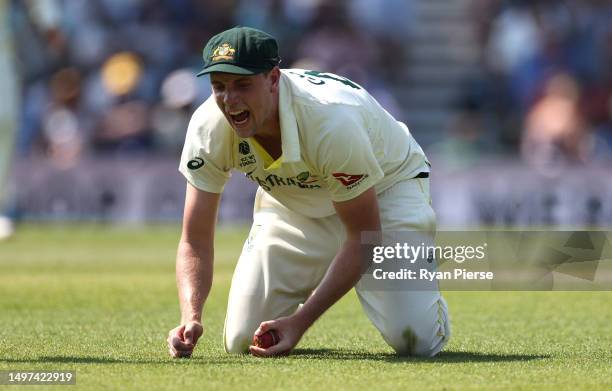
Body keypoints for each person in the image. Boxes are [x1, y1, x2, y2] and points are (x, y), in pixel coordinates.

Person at [166, 26, 450, 358]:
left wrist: (300, 321)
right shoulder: (207, 125)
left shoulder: (330, 121)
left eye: (242, 85)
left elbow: (363, 236)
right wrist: (191, 316)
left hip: (386, 190)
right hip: (295, 202)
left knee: (415, 341)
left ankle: (423, 293)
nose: (230, 100)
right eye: (219, 87)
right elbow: (195, 238)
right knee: (243, 341)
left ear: (273, 79)